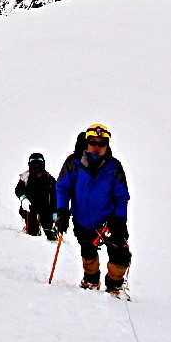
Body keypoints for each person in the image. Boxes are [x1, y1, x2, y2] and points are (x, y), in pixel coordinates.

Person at [55, 123, 131, 295]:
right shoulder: (73, 162)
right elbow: (63, 188)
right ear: (86, 142)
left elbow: (121, 196)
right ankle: (91, 280)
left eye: (101, 144)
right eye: (93, 143)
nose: (97, 147)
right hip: (82, 219)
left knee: (119, 253)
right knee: (88, 251)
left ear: (107, 146)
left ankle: (115, 284)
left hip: (108, 219)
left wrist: (120, 220)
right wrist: (62, 211)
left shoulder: (114, 167)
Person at [14, 152, 59, 240]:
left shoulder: (50, 179)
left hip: (46, 209)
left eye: (39, 166)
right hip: (30, 208)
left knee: (49, 232)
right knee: (32, 234)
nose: (37, 169)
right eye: (34, 166)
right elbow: (18, 190)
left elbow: (55, 197)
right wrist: (23, 198)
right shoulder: (25, 177)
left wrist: (55, 213)